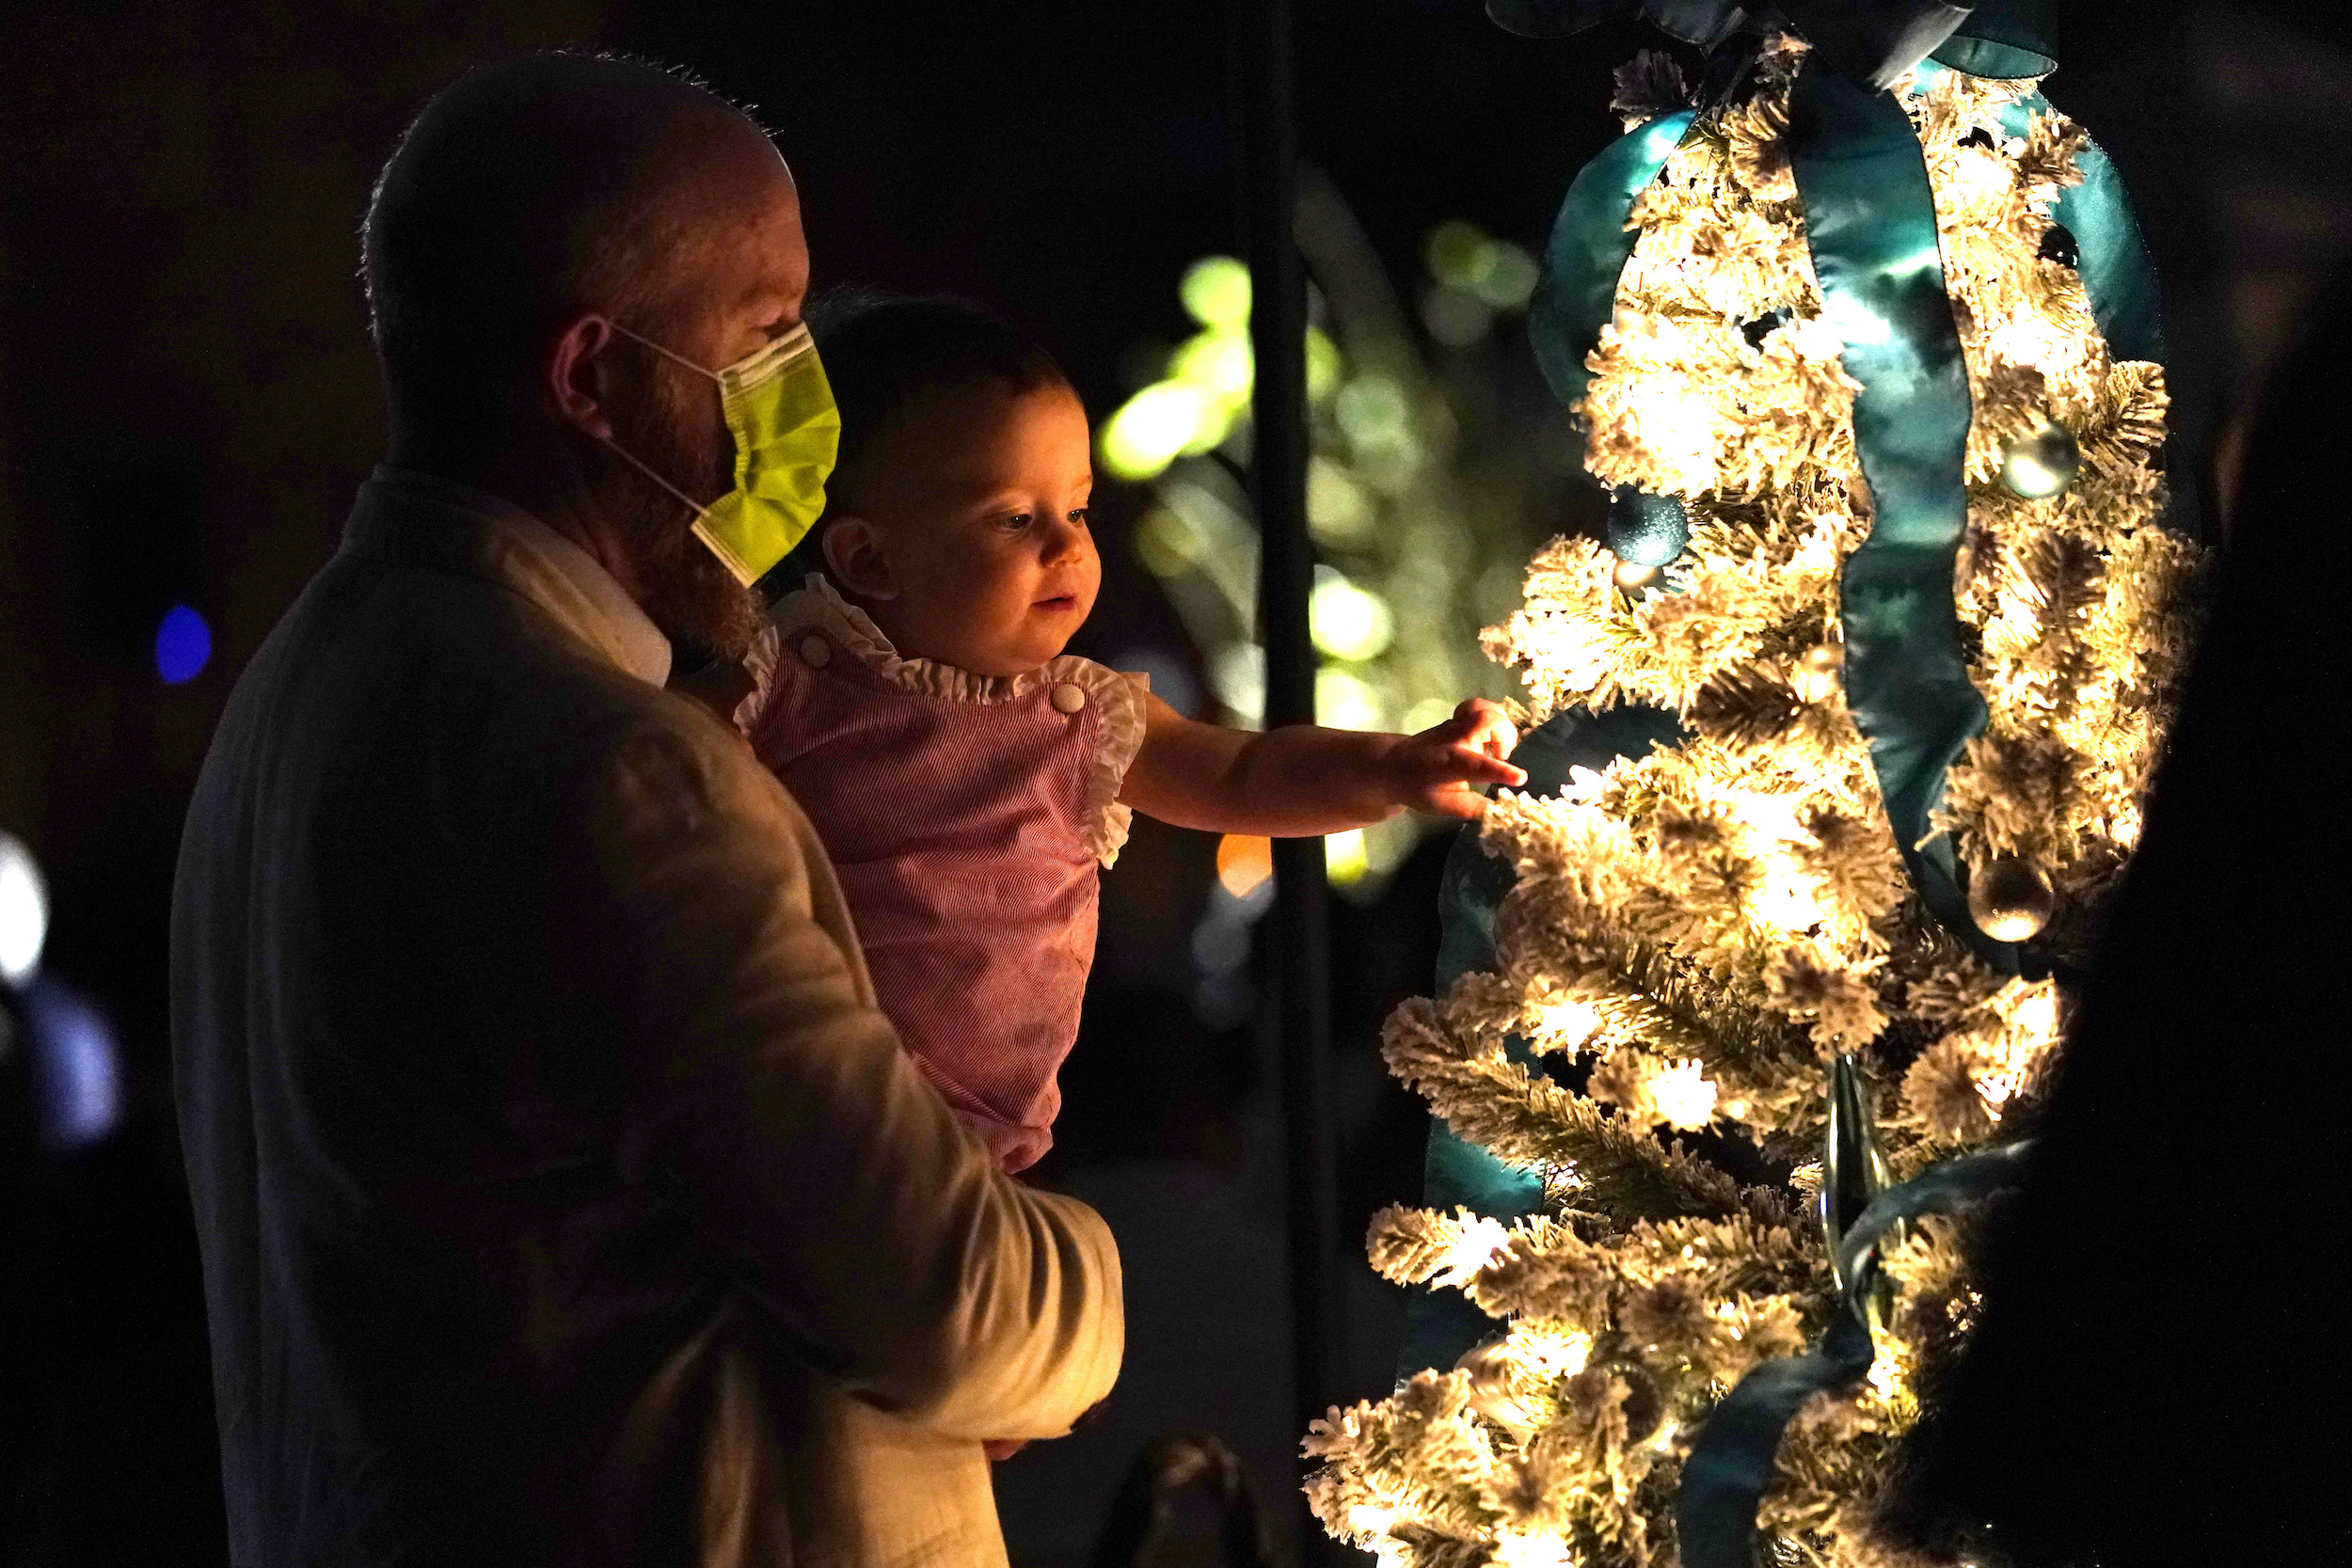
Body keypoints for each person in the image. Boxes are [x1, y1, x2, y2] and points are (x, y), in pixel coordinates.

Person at [170, 53, 1121, 1568]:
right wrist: (1080, 1254)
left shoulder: (297, 702)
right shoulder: (614, 768)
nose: (804, 404)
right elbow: (954, 1310)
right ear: (592, 377)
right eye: (765, 335)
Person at [719, 293, 1526, 1173]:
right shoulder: (783, 676)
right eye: (1016, 519)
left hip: (984, 1146)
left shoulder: (1079, 717)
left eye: (1077, 509)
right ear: (869, 558)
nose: (1066, 547)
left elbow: (1245, 774)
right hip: (789, 1105)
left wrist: (1396, 767)